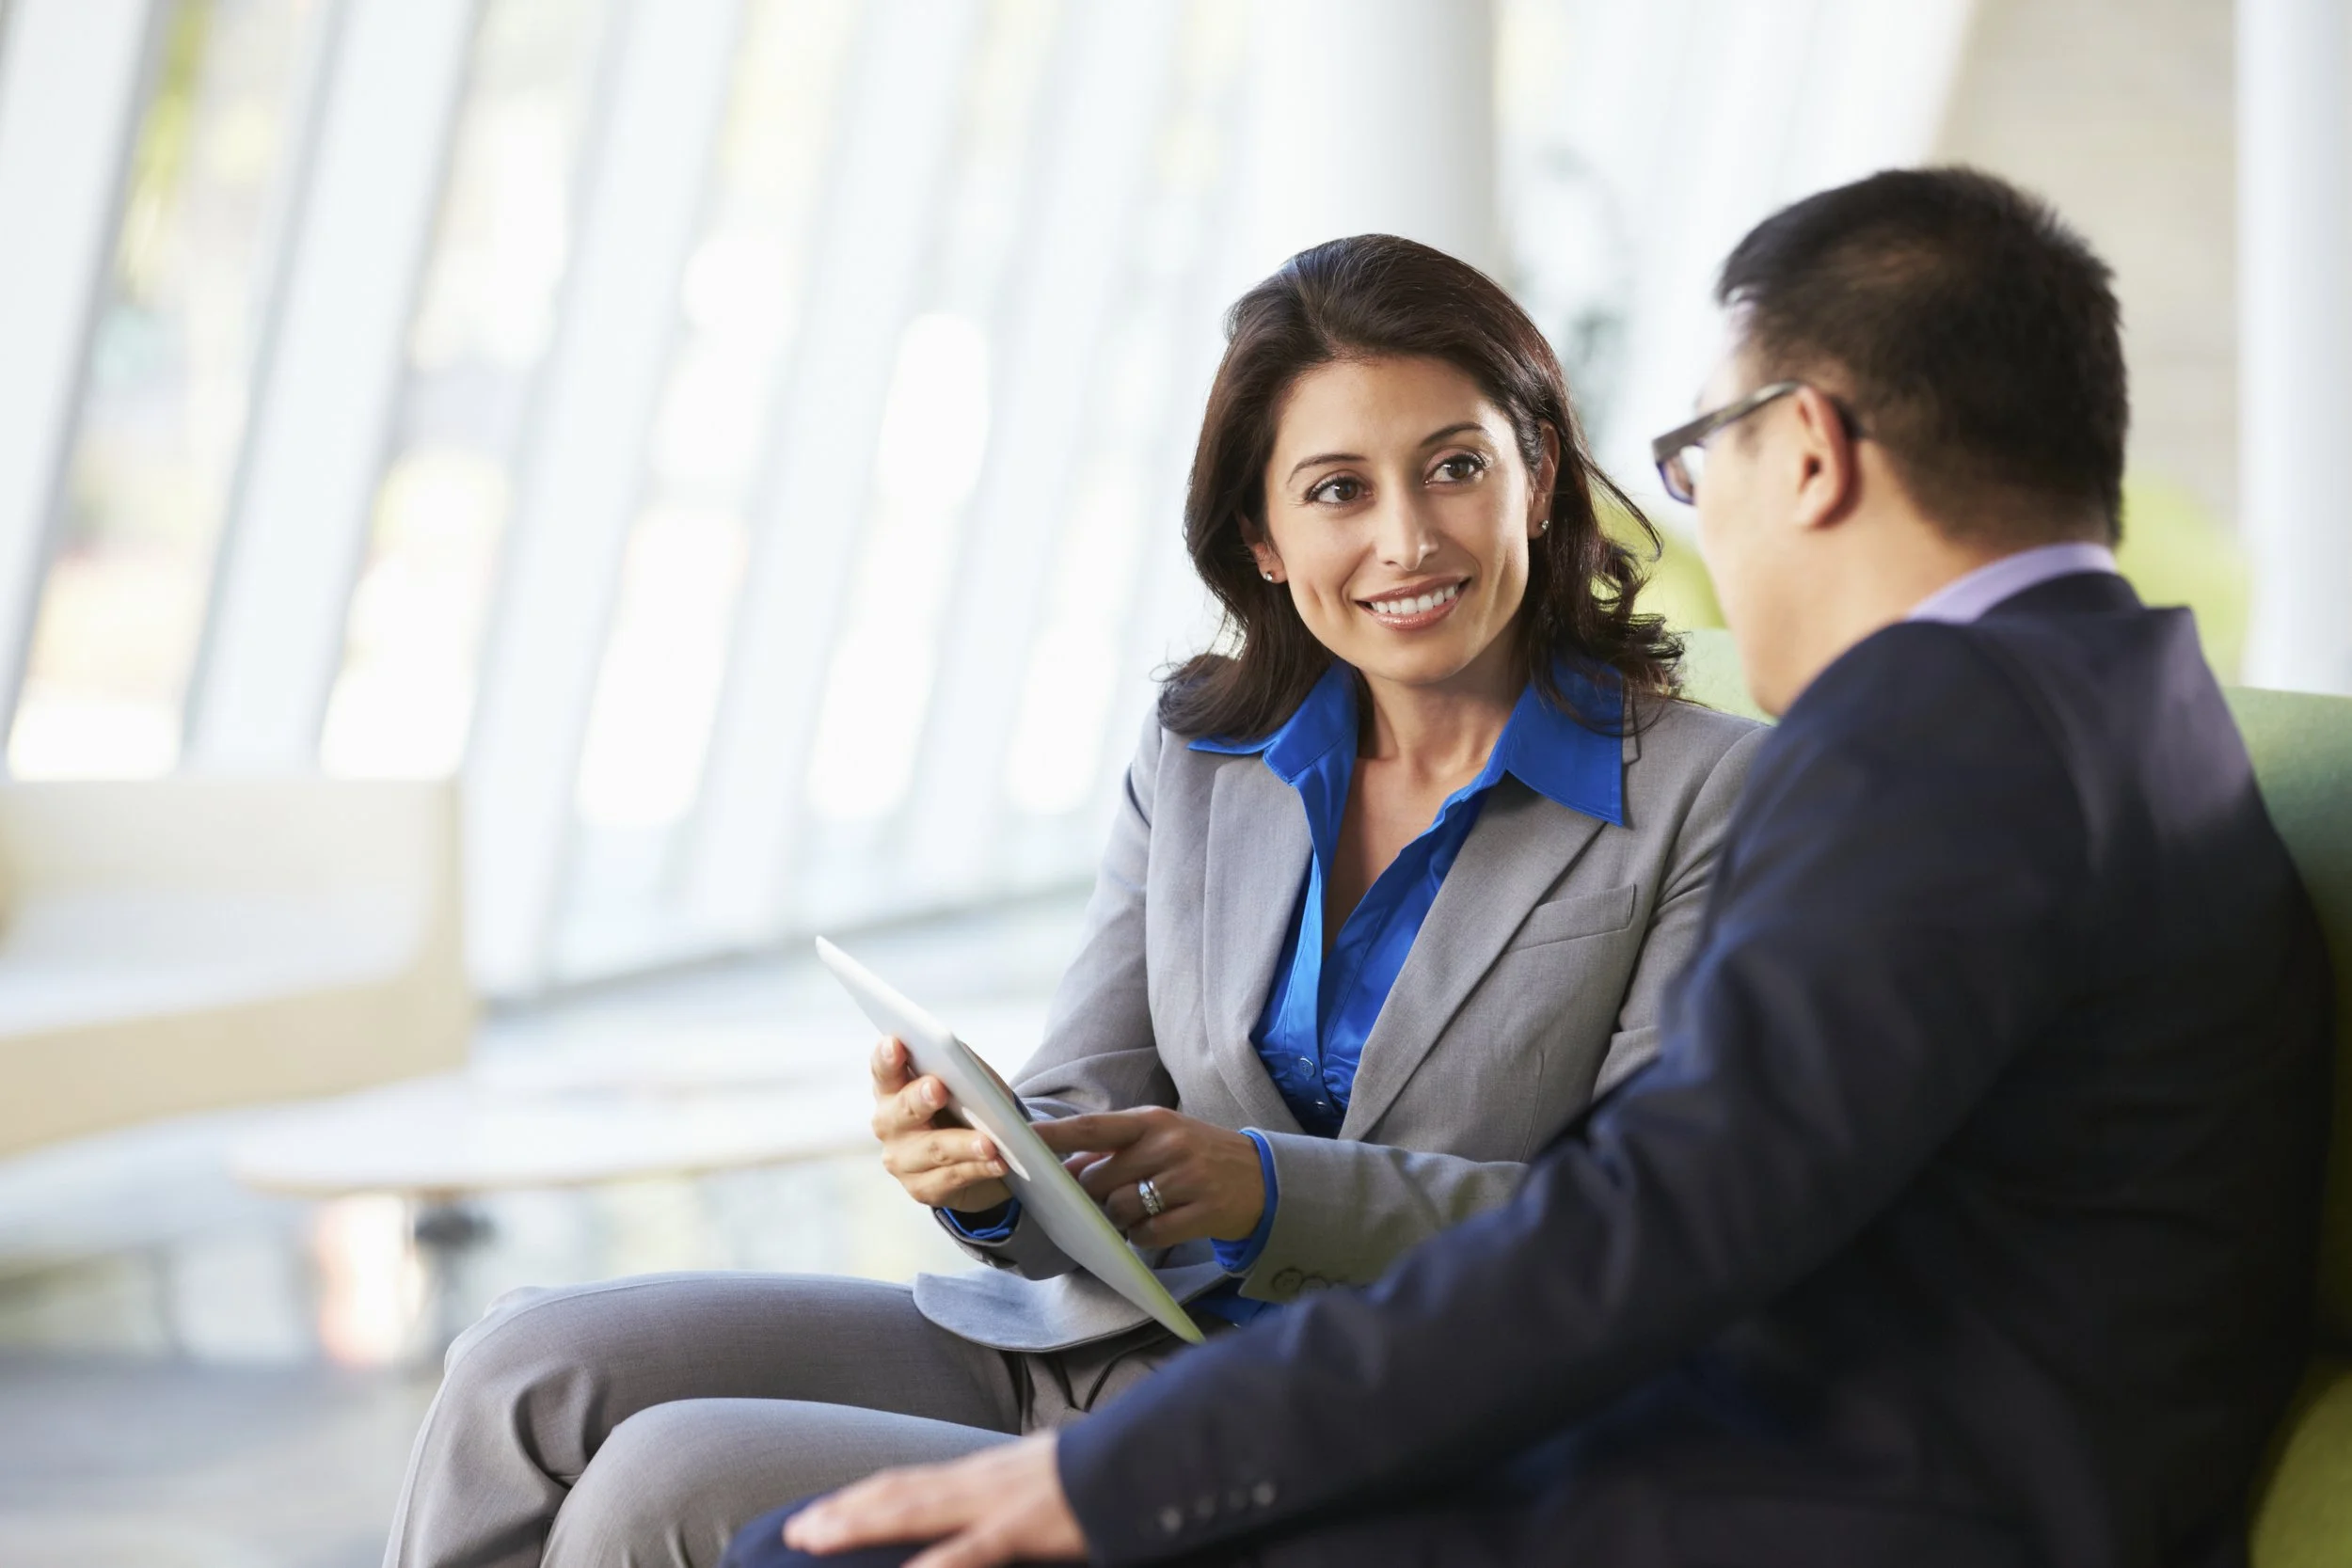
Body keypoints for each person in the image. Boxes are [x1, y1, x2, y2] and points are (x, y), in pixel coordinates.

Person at [748, 168, 2335, 1568]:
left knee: (815, 1550)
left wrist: (1126, 1476)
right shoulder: (2133, 697)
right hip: (1928, 1470)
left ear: (1811, 453)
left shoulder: (1932, 739)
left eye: (1705, 459)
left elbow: (1648, 1220)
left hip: (1836, 1504)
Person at [378, 235, 1763, 1568]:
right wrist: (989, 1168)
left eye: (1455, 467)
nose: (1407, 538)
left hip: (1365, 1410)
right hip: (1087, 1339)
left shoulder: (1708, 789)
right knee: (522, 1360)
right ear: (1264, 539)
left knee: (668, 1479)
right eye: (1338, 489)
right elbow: (1084, 1095)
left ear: (1534, 479)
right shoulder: (1203, 751)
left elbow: (1633, 1229)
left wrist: (1272, 1190)